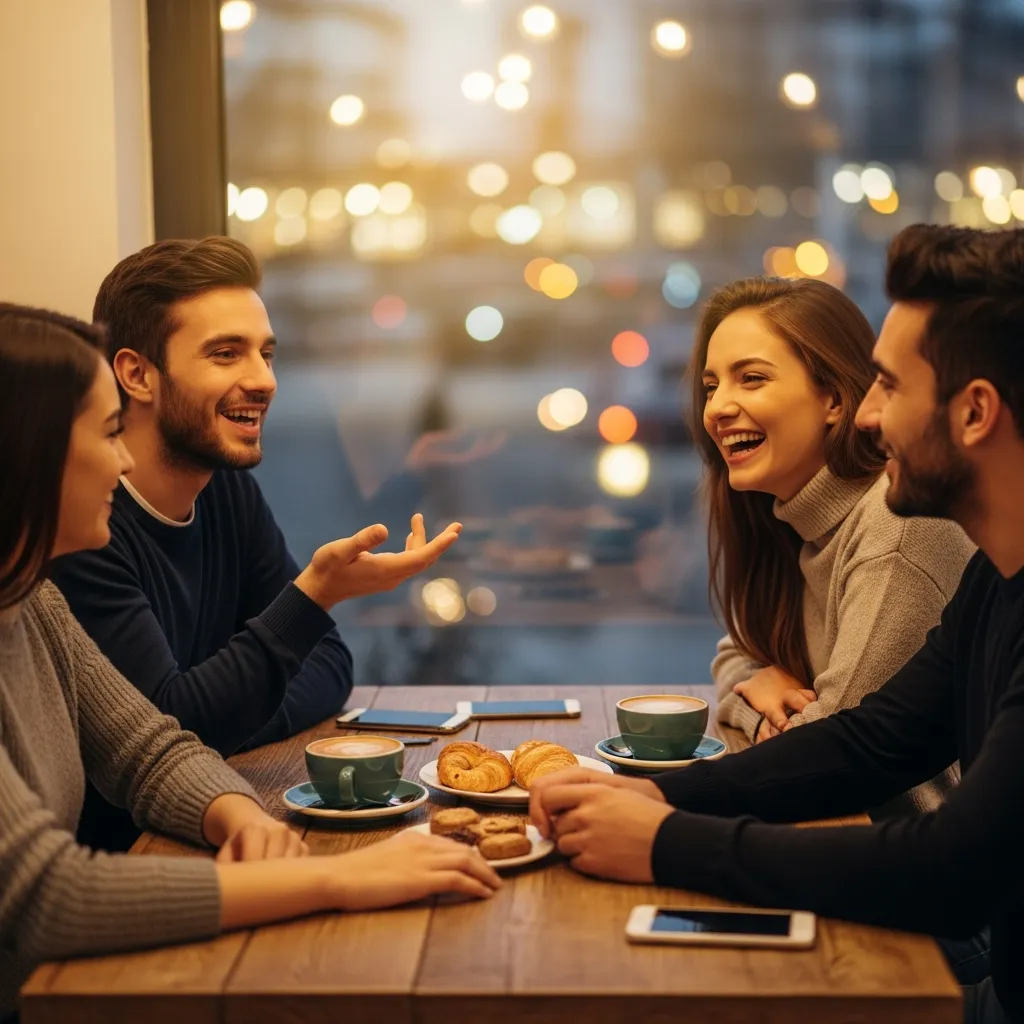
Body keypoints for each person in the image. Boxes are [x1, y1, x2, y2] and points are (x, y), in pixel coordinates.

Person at [530, 224, 1024, 1023]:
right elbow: (871, 742)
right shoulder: (997, 585)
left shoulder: (920, 543)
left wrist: (662, 840)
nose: (870, 420)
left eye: (889, 388)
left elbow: (953, 868)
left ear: (974, 413)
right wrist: (656, 796)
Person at [0, 304, 500, 1024]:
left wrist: (233, 812)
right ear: (28, 450)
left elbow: (150, 749)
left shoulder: (32, 599)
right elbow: (50, 898)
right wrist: (339, 880)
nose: (122, 457)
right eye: (108, 432)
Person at [49, 237, 462, 851]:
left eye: (266, 355)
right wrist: (310, 598)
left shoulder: (224, 491)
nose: (263, 380)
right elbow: (170, 728)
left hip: (218, 823)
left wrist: (225, 713)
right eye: (225, 354)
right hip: (134, 857)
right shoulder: (80, 527)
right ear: (136, 373)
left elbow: (329, 665)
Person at [695, 277, 971, 811]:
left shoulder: (899, 523)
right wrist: (762, 682)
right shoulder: (792, 516)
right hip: (829, 828)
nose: (718, 408)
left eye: (751, 379)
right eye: (711, 386)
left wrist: (754, 709)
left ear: (836, 400)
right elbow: (733, 654)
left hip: (893, 857)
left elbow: (830, 748)